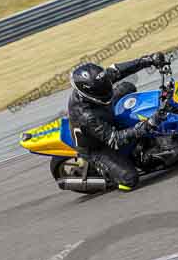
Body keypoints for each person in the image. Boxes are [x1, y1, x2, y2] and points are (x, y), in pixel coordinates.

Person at [68, 53, 167, 192]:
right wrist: (147, 125)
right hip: (96, 146)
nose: (106, 89)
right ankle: (107, 175)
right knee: (129, 180)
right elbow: (114, 139)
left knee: (128, 86)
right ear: (87, 94)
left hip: (104, 112)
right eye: (101, 90)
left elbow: (118, 70)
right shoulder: (86, 115)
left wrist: (149, 60)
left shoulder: (97, 84)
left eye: (105, 85)